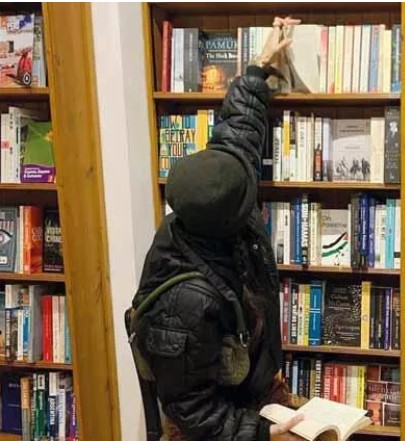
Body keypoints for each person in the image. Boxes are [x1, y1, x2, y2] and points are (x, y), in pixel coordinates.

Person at [127, 17, 306, 441]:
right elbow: (191, 410)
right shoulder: (184, 303)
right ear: (232, 218)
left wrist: (258, 69)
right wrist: (260, 433)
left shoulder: (206, 203)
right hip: (217, 422)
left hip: (252, 387)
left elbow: (235, 136)